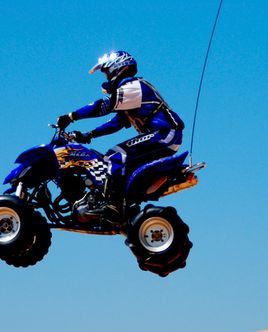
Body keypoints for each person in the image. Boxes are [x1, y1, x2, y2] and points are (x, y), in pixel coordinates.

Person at [56, 50, 185, 220]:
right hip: (162, 136)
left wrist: (72, 116)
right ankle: (121, 204)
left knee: (116, 155)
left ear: (118, 67)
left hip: (165, 134)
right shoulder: (129, 94)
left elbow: (104, 106)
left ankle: (113, 206)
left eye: (106, 71)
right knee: (115, 159)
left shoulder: (133, 86)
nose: (106, 77)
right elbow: (116, 123)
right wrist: (88, 135)